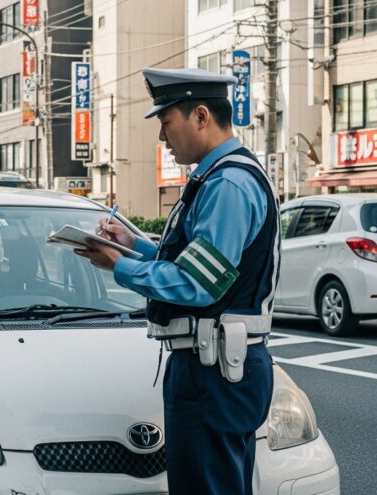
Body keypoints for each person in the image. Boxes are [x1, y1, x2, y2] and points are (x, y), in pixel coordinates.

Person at [74, 67, 278, 495]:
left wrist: (119, 265)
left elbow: (198, 284)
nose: (163, 139)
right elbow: (203, 263)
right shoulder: (221, 176)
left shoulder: (227, 183)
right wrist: (134, 245)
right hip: (218, 364)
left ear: (200, 116)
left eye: (167, 124)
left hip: (213, 368)